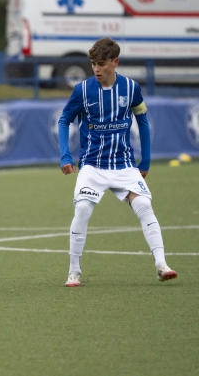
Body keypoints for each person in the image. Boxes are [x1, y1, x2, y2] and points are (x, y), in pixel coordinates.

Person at [58, 37, 177, 287]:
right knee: (82, 209)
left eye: (101, 64)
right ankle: (74, 271)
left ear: (115, 62)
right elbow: (64, 120)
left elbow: (142, 120)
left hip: (124, 165)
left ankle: (161, 264)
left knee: (144, 205)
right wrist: (65, 155)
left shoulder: (131, 88)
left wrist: (146, 160)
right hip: (92, 166)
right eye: (93, 64)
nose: (96, 69)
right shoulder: (82, 90)